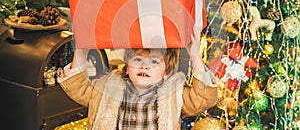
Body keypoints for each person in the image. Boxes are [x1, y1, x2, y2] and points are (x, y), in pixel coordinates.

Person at [57, 26, 218, 130]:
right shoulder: (107, 88)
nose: (144, 66)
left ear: (167, 72)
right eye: (137, 60)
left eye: (154, 62)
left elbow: (203, 98)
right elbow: (78, 88)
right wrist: (81, 52)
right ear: (127, 66)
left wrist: (195, 57)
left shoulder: (173, 95)